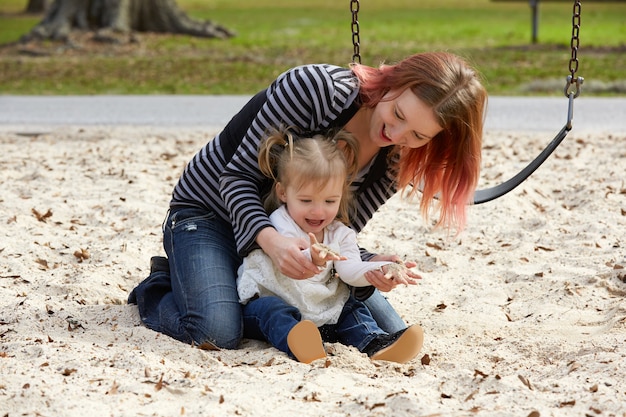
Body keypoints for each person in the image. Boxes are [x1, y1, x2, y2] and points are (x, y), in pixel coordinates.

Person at [128, 51, 486, 351]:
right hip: (210, 214)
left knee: (386, 326)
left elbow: (334, 232)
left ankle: (231, 291)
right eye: (398, 115)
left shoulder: (398, 158)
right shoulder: (317, 91)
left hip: (287, 242)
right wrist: (274, 242)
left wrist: (372, 264)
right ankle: (162, 285)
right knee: (216, 331)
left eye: (418, 135)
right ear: (394, 81)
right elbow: (235, 177)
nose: (396, 134)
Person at [237, 127, 424, 363]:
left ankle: (374, 342)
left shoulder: (341, 234)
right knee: (274, 313)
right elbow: (296, 255)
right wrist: (313, 258)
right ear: (283, 193)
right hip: (270, 299)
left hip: (319, 307)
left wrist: (378, 270)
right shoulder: (278, 221)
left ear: (341, 196)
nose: (318, 211)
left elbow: (350, 271)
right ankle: (299, 343)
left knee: (351, 307)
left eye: (329, 201)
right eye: (306, 200)